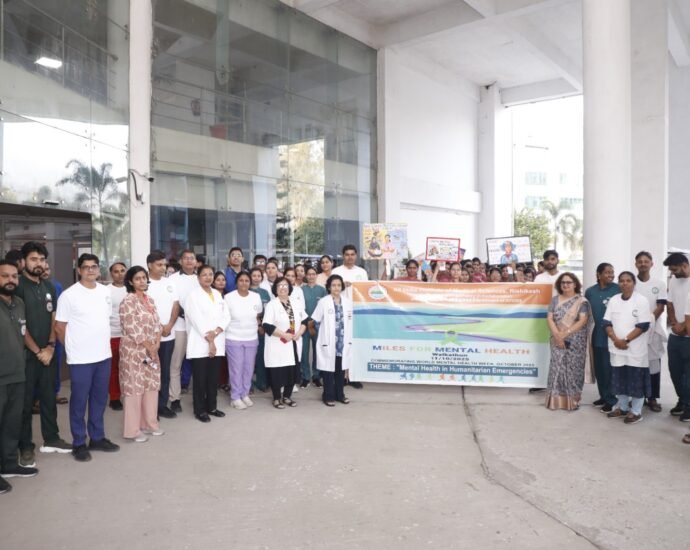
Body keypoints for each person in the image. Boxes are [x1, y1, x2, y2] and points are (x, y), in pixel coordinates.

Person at [55, 254, 120, 462]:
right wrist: (72, 349)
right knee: (79, 401)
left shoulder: (105, 292)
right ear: (79, 270)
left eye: (94, 266)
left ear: (99, 270)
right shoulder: (68, 295)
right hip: (80, 359)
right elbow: (60, 327)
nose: (90, 270)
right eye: (86, 267)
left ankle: (97, 438)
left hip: (103, 355)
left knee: (99, 399)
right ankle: (79, 443)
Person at [16, 242, 71, 469]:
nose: (38, 264)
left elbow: (53, 318)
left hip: (48, 354)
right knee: (25, 403)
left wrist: (50, 346)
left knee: (49, 397)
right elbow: (19, 324)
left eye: (41, 259)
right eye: (33, 259)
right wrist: (38, 351)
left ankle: (51, 438)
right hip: (25, 356)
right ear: (23, 262)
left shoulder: (48, 286)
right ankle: (25, 447)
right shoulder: (17, 286)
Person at [0, 260, 38, 491]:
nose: (10, 280)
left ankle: (8, 464)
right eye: (5, 276)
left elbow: (23, 334)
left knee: (11, 424)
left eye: (14, 276)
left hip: (17, 374)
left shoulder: (19, 303)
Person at [119, 266, 163, 442]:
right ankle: (133, 430)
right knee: (134, 389)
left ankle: (150, 424)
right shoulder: (127, 301)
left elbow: (157, 324)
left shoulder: (149, 300)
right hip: (134, 351)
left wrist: (156, 343)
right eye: (137, 278)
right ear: (130, 281)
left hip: (151, 352)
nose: (142, 281)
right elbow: (132, 327)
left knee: (151, 386)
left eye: (144, 277)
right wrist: (149, 346)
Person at [603, 272, 652, 424]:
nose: (625, 283)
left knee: (636, 381)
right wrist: (616, 340)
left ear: (634, 283)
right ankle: (622, 407)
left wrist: (625, 340)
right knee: (620, 379)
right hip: (617, 348)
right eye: (622, 281)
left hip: (635, 349)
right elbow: (606, 323)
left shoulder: (641, 300)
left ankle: (636, 411)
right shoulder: (614, 300)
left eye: (628, 280)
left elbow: (643, 325)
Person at [185, 265, 230, 422]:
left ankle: (212, 407)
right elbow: (196, 319)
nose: (208, 277)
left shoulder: (217, 294)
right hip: (200, 342)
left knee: (213, 378)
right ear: (198, 278)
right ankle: (199, 410)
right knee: (200, 379)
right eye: (204, 274)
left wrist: (216, 332)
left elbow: (226, 316)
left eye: (210, 274)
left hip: (217, 339)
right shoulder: (193, 296)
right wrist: (210, 339)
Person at [545, 273, 590, 411]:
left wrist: (565, 334)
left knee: (573, 369)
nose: (565, 285)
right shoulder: (554, 300)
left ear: (575, 284)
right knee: (556, 368)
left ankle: (573, 401)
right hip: (557, 339)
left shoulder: (581, 301)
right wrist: (557, 336)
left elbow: (583, 320)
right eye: (563, 282)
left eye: (569, 282)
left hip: (576, 341)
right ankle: (555, 401)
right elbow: (550, 318)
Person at [262, 277, 308, 409]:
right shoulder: (272, 305)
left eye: (285, 285)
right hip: (277, 343)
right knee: (277, 371)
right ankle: (276, 398)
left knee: (291, 371)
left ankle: (287, 396)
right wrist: (283, 334)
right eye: (279, 285)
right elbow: (267, 325)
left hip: (293, 342)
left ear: (290, 288)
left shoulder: (296, 303)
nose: (283, 288)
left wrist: (299, 332)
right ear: (275, 289)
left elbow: (304, 320)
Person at [146, 250, 179, 419]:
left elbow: (175, 305)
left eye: (164, 265)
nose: (163, 268)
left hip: (168, 335)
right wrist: (158, 329)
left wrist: (170, 325)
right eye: (159, 265)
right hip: (149, 339)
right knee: (149, 372)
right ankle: (149, 409)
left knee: (164, 372)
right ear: (149, 265)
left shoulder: (170, 283)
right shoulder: (144, 283)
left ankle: (162, 405)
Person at [310, 274, 352, 406]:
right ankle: (328, 396)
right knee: (328, 371)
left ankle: (340, 394)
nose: (336, 288)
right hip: (328, 343)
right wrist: (323, 334)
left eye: (339, 285)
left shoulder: (347, 302)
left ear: (342, 287)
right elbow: (315, 320)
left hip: (342, 343)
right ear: (329, 287)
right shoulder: (323, 302)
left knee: (340, 370)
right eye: (333, 285)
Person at [584, 263, 621, 412]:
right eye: (607, 272)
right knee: (599, 369)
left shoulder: (617, 289)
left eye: (612, 272)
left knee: (609, 369)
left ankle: (611, 399)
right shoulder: (590, 292)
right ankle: (603, 395)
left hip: (611, 336)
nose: (611, 275)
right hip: (595, 336)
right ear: (598, 274)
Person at [634, 251, 667, 412]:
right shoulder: (631, 282)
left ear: (651, 264)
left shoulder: (659, 284)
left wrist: (648, 323)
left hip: (652, 329)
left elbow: (660, 307)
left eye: (646, 261)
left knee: (653, 365)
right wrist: (639, 326)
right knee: (636, 364)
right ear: (636, 264)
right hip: (634, 330)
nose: (643, 264)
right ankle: (637, 395)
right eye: (640, 261)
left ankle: (652, 397)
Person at [223, 271, 261, 410]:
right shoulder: (228, 297)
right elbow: (225, 317)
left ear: (250, 283)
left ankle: (245, 394)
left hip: (251, 337)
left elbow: (257, 315)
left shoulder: (256, 297)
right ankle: (235, 397)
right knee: (236, 368)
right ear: (236, 283)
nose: (244, 283)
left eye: (246, 281)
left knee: (248, 368)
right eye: (241, 280)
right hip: (234, 337)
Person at [332, 245, 367, 389]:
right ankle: (341, 376)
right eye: (347, 254)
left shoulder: (362, 272)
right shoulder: (336, 271)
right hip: (340, 312)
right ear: (343, 256)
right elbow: (331, 290)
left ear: (356, 256)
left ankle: (353, 376)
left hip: (356, 312)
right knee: (340, 345)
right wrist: (342, 286)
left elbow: (365, 291)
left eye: (352, 254)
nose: (350, 257)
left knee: (354, 345)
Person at [168, 249, 199, 413]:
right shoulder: (172, 279)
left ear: (196, 262)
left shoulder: (200, 278)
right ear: (180, 261)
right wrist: (186, 314)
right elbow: (172, 302)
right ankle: (175, 398)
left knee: (199, 364)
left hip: (197, 328)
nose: (189, 261)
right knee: (176, 364)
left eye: (191, 258)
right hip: (179, 326)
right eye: (185, 258)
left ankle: (199, 398)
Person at [663, 252, 690, 419]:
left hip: (688, 336)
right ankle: (682, 400)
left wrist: (684, 327)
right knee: (675, 371)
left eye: (674, 269)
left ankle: (689, 405)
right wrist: (674, 324)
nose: (672, 273)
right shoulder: (674, 281)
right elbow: (670, 303)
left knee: (688, 375)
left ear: (684, 265)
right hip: (675, 335)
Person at [42, 261, 68, 405]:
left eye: (48, 269)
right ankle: (37, 398)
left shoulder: (56, 286)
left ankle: (55, 393)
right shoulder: (31, 287)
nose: (45, 272)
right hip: (39, 332)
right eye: (43, 269)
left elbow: (62, 309)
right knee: (40, 366)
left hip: (55, 331)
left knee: (56, 364)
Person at [300, 266, 327, 387]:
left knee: (318, 351)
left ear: (316, 276)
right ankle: (305, 377)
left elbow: (324, 308)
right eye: (309, 274)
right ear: (306, 276)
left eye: (313, 274)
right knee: (304, 352)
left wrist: (315, 322)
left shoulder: (322, 290)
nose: (311, 276)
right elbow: (299, 307)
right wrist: (307, 321)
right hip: (304, 325)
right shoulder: (301, 290)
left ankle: (316, 376)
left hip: (317, 325)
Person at [108, 262, 127, 411]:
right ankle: (114, 397)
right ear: (111, 274)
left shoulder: (132, 289)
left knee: (128, 368)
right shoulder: (106, 291)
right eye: (116, 271)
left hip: (130, 336)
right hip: (112, 335)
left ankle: (129, 395)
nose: (120, 274)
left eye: (122, 270)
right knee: (114, 368)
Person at [249, 267, 271, 392]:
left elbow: (268, 311)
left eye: (259, 276)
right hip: (249, 328)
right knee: (249, 358)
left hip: (263, 329)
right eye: (254, 275)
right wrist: (257, 325)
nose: (256, 278)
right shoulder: (246, 291)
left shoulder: (265, 293)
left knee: (261, 356)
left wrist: (263, 326)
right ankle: (248, 384)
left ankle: (262, 382)